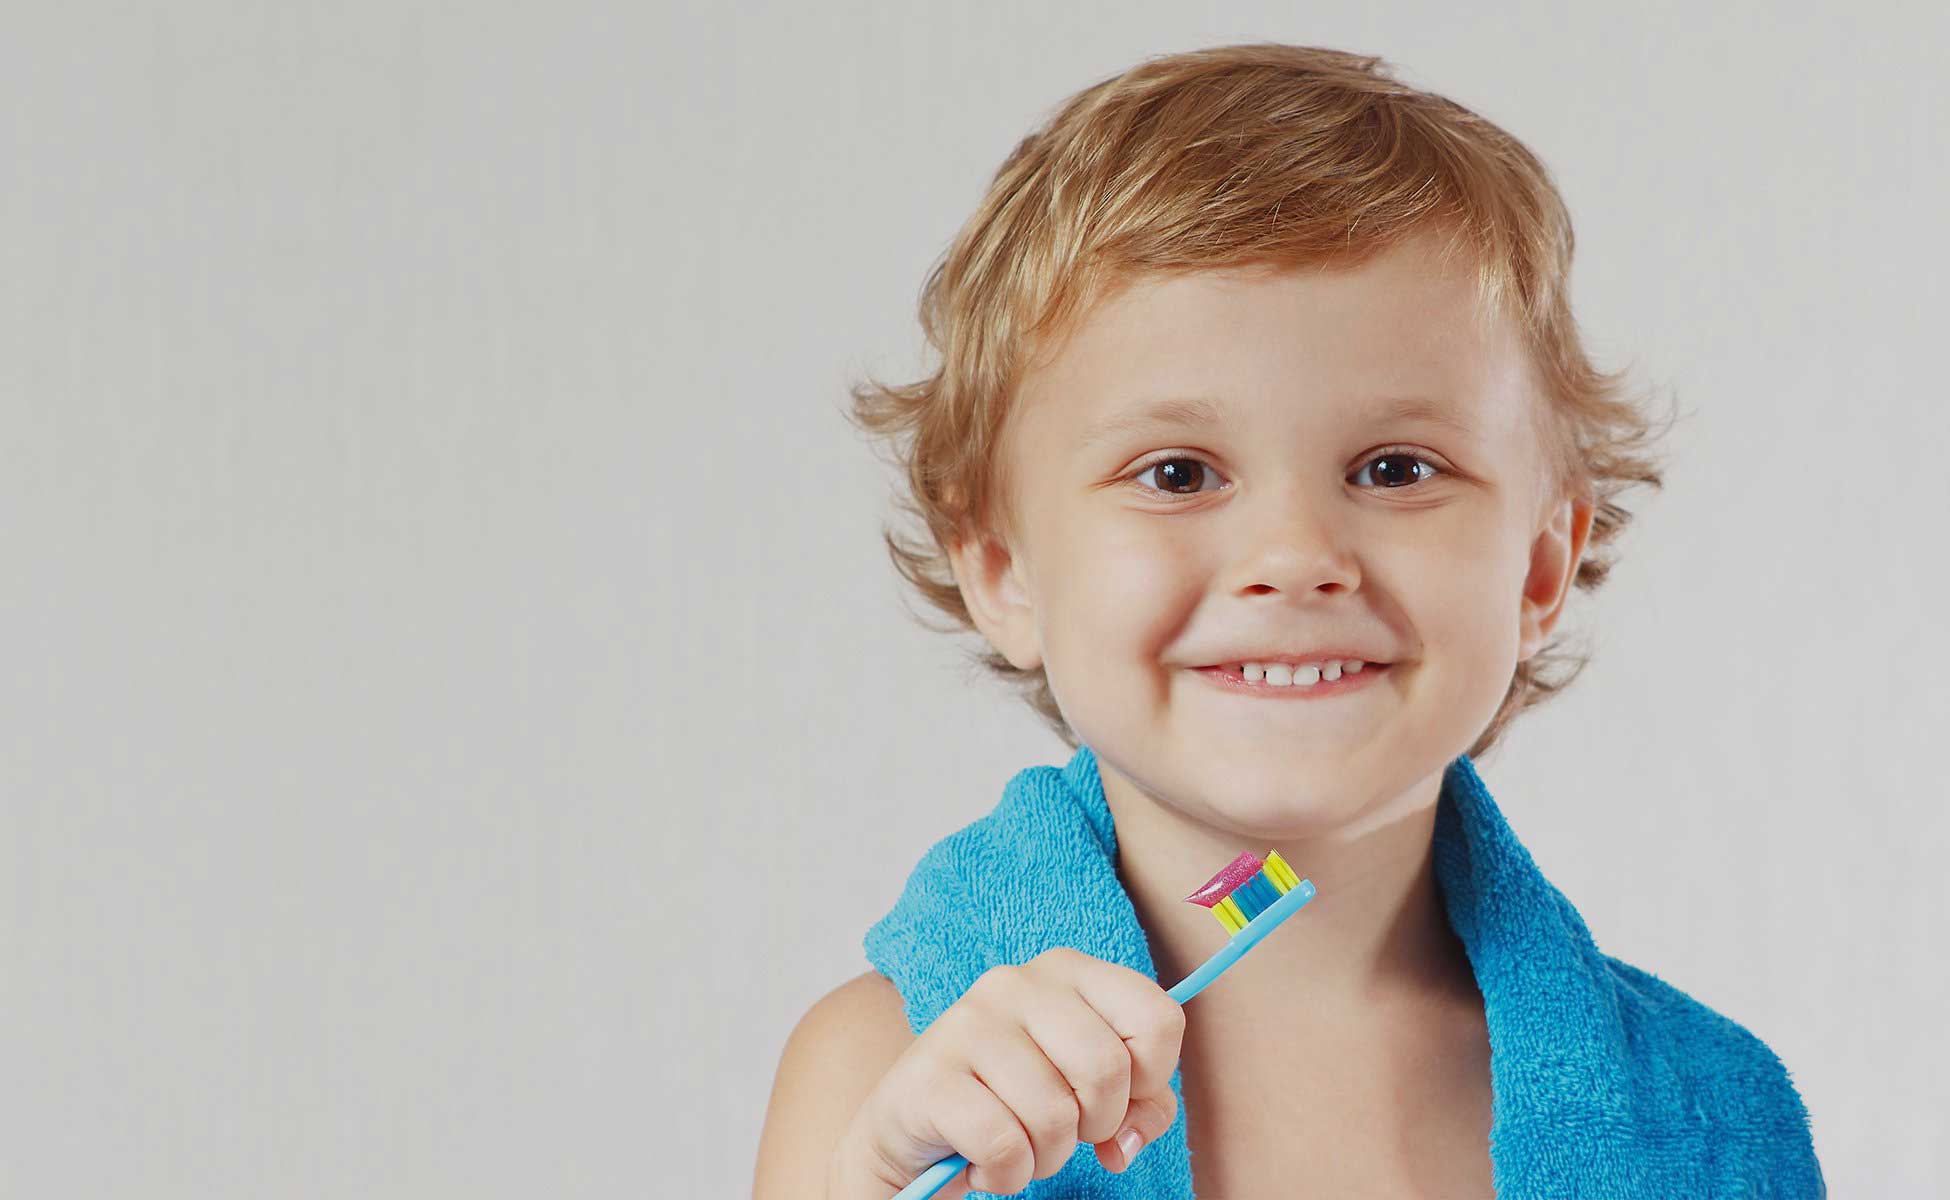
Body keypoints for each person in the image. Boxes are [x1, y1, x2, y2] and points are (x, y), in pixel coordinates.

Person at [753, 42, 1823, 1199]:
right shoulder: (889, 1087)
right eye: (1176, 474)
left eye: (1397, 467)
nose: (1297, 559)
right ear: (1003, 568)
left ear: (1538, 566)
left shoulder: (1712, 1119)